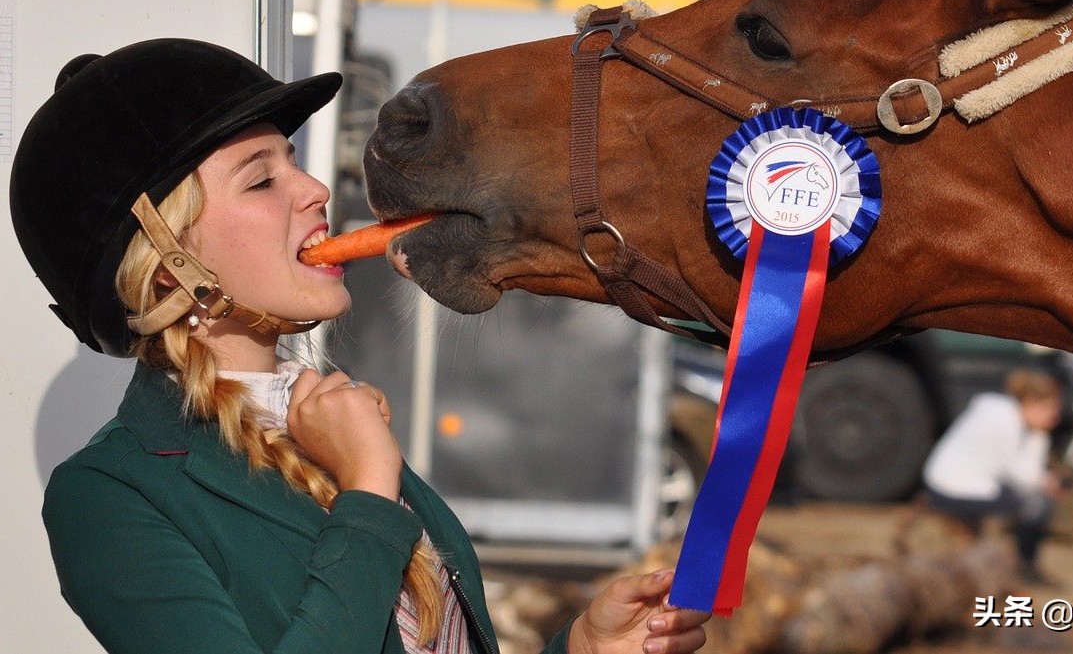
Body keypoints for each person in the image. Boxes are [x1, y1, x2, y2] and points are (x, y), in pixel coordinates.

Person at [10, 38, 711, 654]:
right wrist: (370, 492)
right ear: (169, 263)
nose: (315, 189)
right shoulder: (109, 495)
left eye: (293, 163)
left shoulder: (326, 412)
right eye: (261, 179)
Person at [921, 369, 1064, 585]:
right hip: (951, 487)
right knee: (1034, 505)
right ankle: (1022, 565)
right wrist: (1047, 482)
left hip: (961, 484)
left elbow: (1024, 473)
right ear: (1028, 402)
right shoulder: (1002, 421)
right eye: (1047, 410)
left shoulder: (1021, 425)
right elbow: (1019, 476)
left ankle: (1013, 562)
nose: (1053, 418)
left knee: (1030, 500)